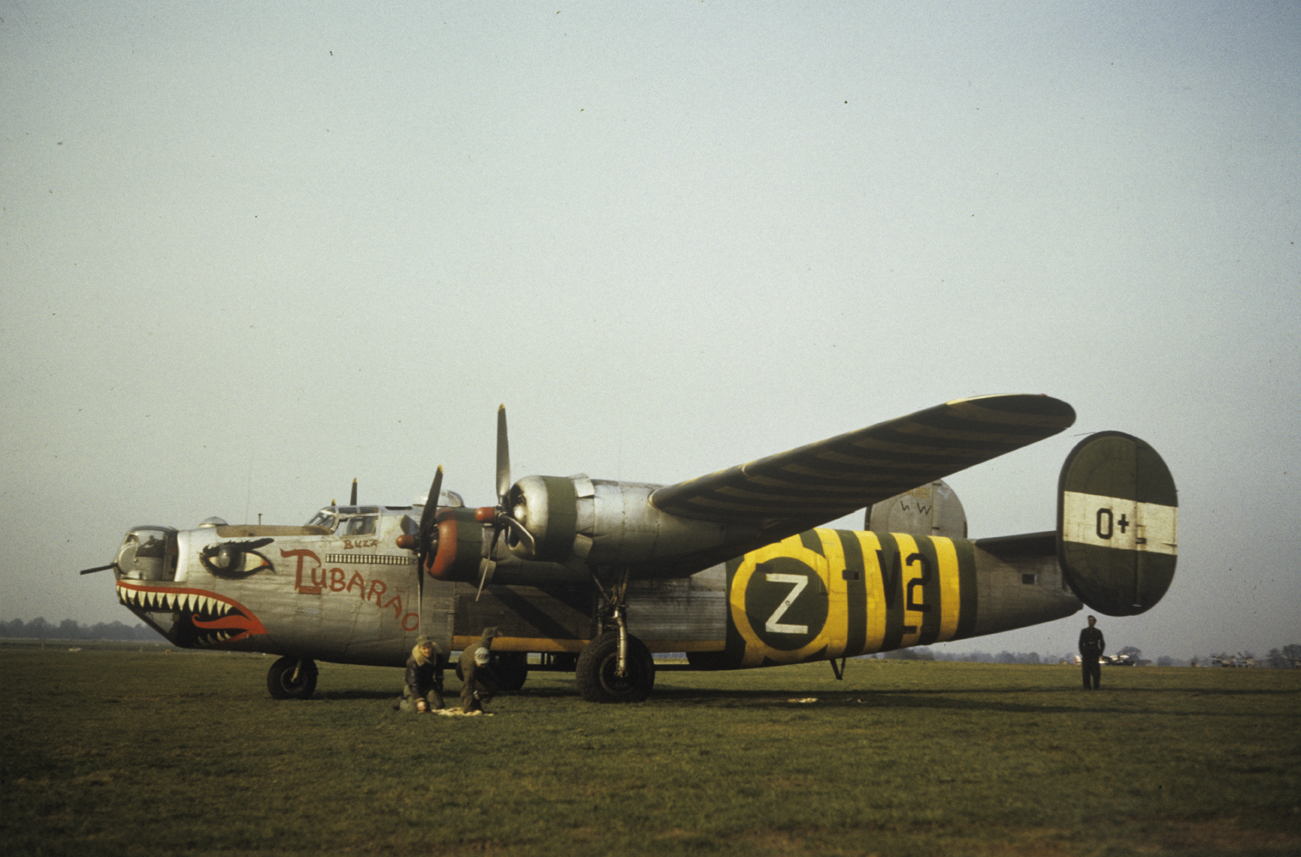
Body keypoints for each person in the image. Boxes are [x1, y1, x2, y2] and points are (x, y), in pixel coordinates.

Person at [459, 627, 500, 713]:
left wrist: (495, 632)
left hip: (476, 666)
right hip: (462, 668)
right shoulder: (469, 668)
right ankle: (473, 702)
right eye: (482, 663)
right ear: (475, 658)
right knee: (471, 685)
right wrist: (468, 709)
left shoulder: (484, 645)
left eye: (485, 663)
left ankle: (477, 697)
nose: (484, 666)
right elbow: (466, 687)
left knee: (495, 683)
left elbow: (487, 633)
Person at [402, 634, 446, 712]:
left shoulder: (437, 655)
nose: (427, 650)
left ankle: (426, 701)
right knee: (413, 709)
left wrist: (439, 685)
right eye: (424, 648)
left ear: (431, 646)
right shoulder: (413, 661)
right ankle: (400, 702)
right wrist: (419, 700)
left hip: (428, 685)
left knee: (439, 706)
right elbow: (412, 681)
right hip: (413, 687)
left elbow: (439, 670)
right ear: (419, 648)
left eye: (428, 647)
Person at [1078, 615, 1105, 690]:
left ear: (1095, 622)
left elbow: (1102, 643)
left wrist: (1100, 653)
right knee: (1086, 671)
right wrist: (1082, 652)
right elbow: (1080, 643)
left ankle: (1096, 686)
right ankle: (1086, 686)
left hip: (1095, 653)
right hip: (1086, 653)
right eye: (1089, 620)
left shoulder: (1098, 632)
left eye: (1092, 620)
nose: (1090, 622)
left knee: (1096, 672)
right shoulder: (1084, 631)